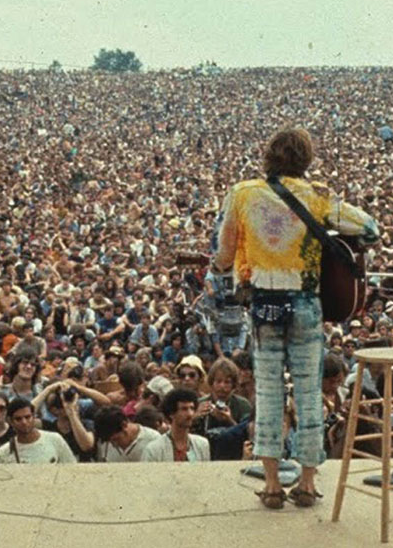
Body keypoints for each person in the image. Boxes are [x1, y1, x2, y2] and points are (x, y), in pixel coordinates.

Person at [211, 127, 378, 509]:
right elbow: (370, 229)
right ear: (307, 159)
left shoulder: (243, 193)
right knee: (308, 394)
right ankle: (306, 483)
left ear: (268, 155)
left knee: (268, 394)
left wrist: (229, 267)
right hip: (306, 304)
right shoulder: (317, 195)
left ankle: (271, 485)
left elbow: (222, 253)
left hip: (264, 304)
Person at [0, 398, 77, 464]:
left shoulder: (55, 439)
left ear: (34, 417)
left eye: (27, 417)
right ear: (10, 421)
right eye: (18, 419)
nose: (24, 422)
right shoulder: (3, 453)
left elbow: (72, 469)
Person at [141, 388, 210, 463]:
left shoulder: (202, 444)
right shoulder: (154, 449)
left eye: (192, 408)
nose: (190, 414)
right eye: (184, 409)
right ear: (171, 414)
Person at [93, 405, 161, 462]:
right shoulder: (104, 444)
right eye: (110, 442)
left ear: (124, 425)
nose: (114, 445)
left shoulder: (153, 439)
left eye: (116, 439)